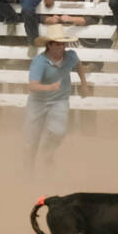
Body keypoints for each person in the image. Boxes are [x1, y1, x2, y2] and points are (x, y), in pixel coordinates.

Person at [24, 23, 90, 173]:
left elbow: (78, 65)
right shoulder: (39, 62)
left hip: (60, 100)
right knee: (31, 140)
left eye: (63, 44)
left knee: (59, 131)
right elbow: (32, 86)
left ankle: (48, 151)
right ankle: (28, 171)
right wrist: (49, 87)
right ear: (50, 45)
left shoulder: (70, 56)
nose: (62, 47)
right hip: (38, 102)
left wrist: (83, 84)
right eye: (59, 44)